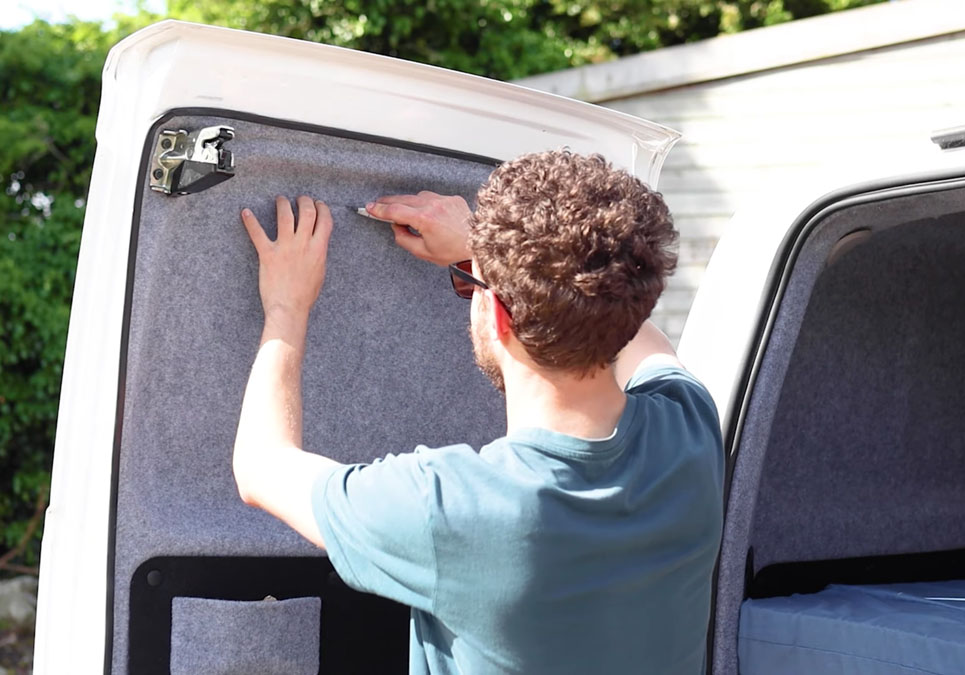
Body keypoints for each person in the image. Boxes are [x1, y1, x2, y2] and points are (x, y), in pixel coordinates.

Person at [232, 150, 724, 674]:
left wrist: (286, 306)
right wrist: (492, 259)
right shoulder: (689, 430)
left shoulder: (448, 508)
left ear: (494, 314)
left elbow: (259, 467)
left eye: (473, 283)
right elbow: (631, 324)